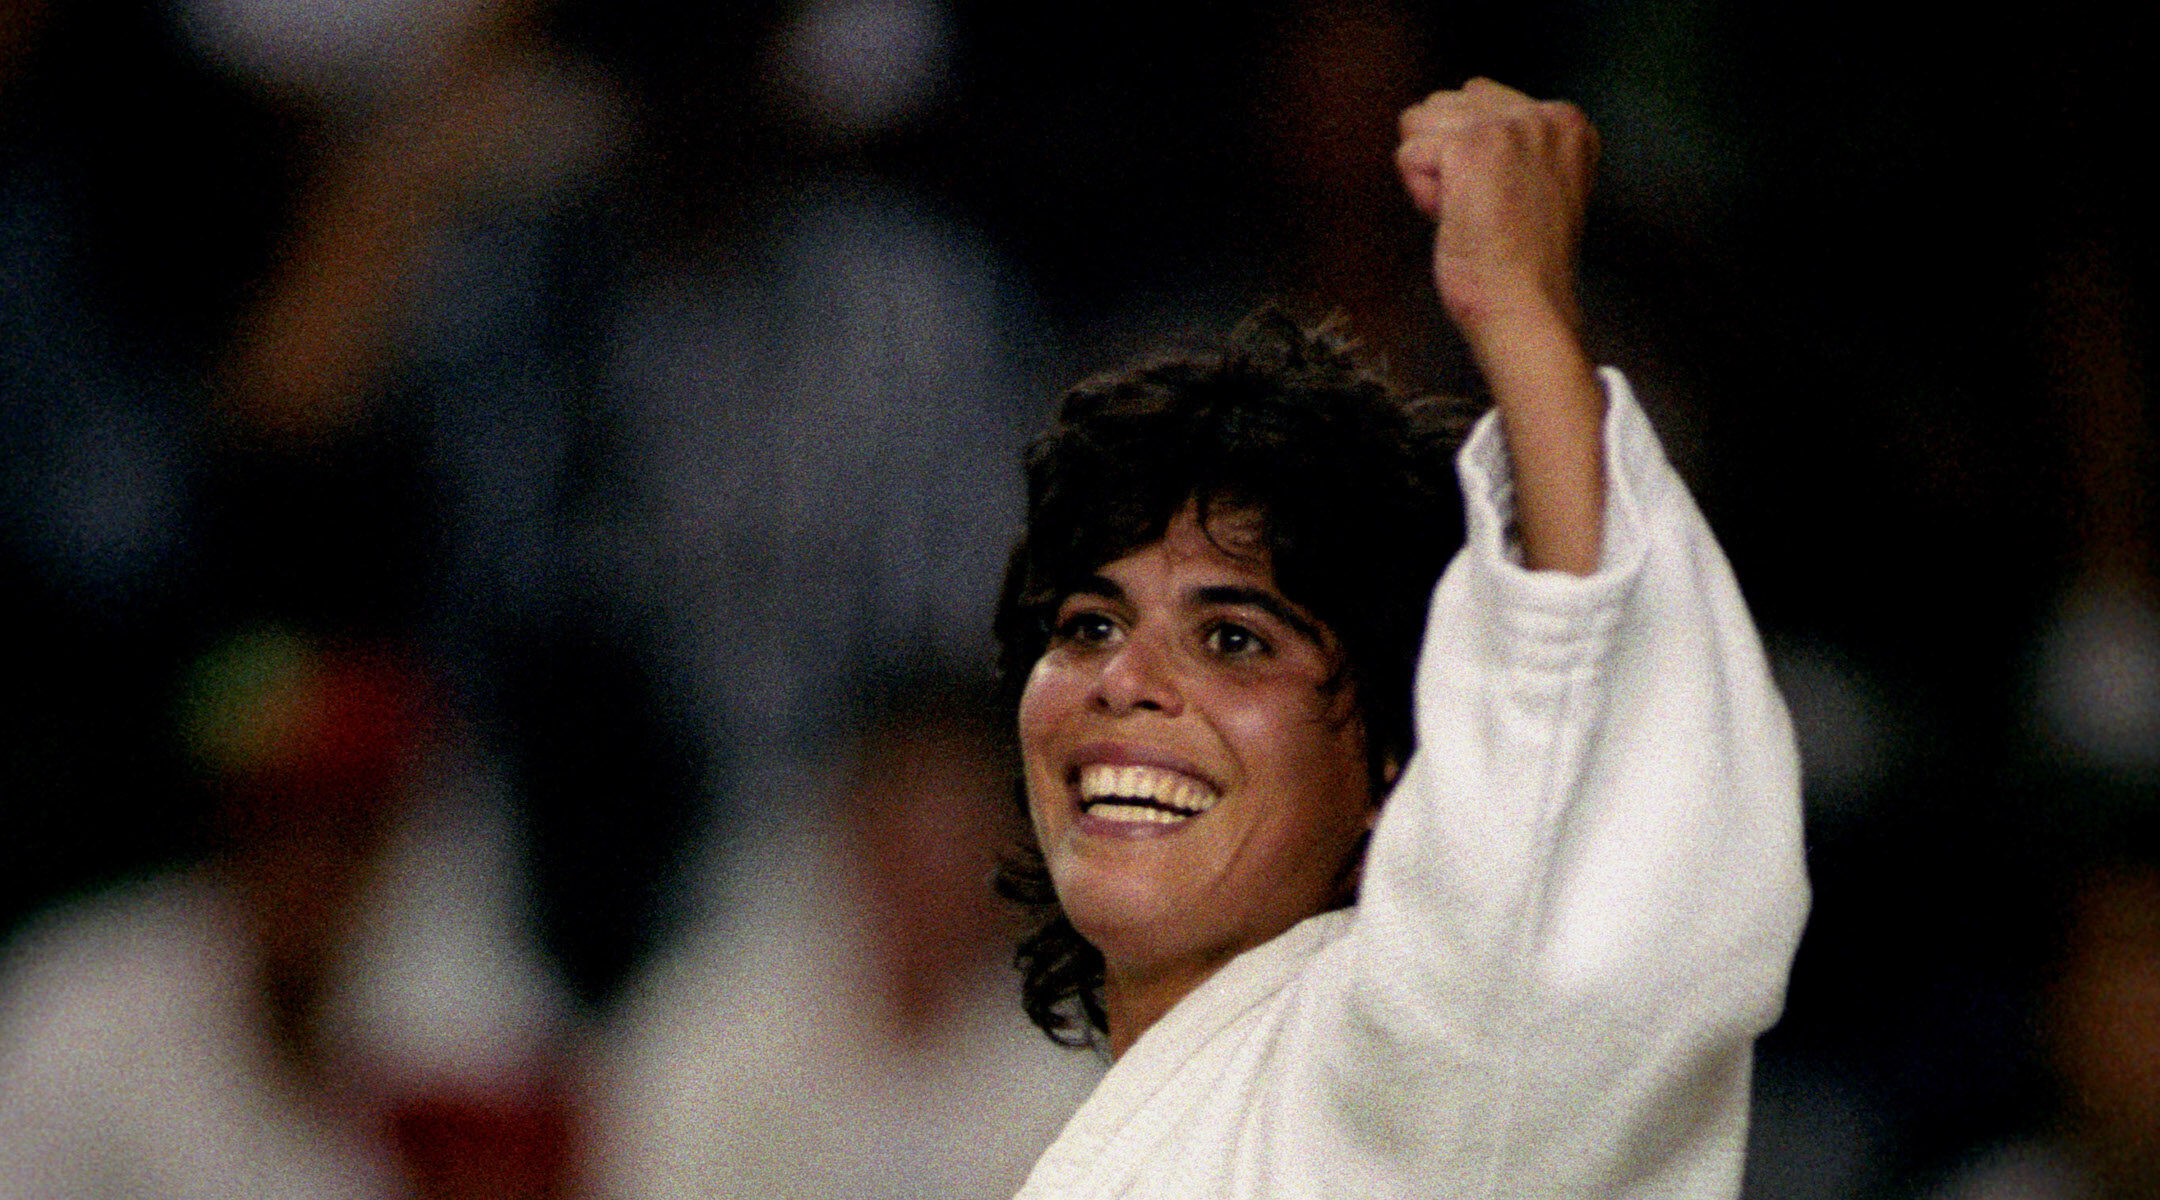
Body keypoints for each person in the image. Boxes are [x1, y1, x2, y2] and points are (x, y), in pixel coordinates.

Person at [990, 79, 1810, 1197]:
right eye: (1088, 624)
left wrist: (1519, 308)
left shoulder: (1428, 1060)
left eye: (1232, 639)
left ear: (1394, 765)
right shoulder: (1144, 1125)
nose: (1124, 680)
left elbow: (1575, 794)